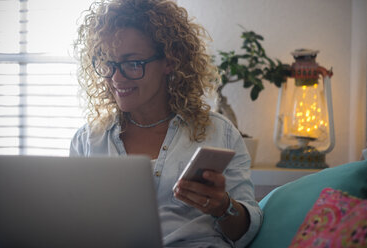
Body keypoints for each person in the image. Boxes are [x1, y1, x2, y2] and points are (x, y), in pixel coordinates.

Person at [70, 0, 262, 247]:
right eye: (108, 63)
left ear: (169, 62)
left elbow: (246, 233)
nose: (116, 77)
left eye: (132, 63)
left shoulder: (218, 132)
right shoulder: (88, 140)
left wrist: (222, 206)